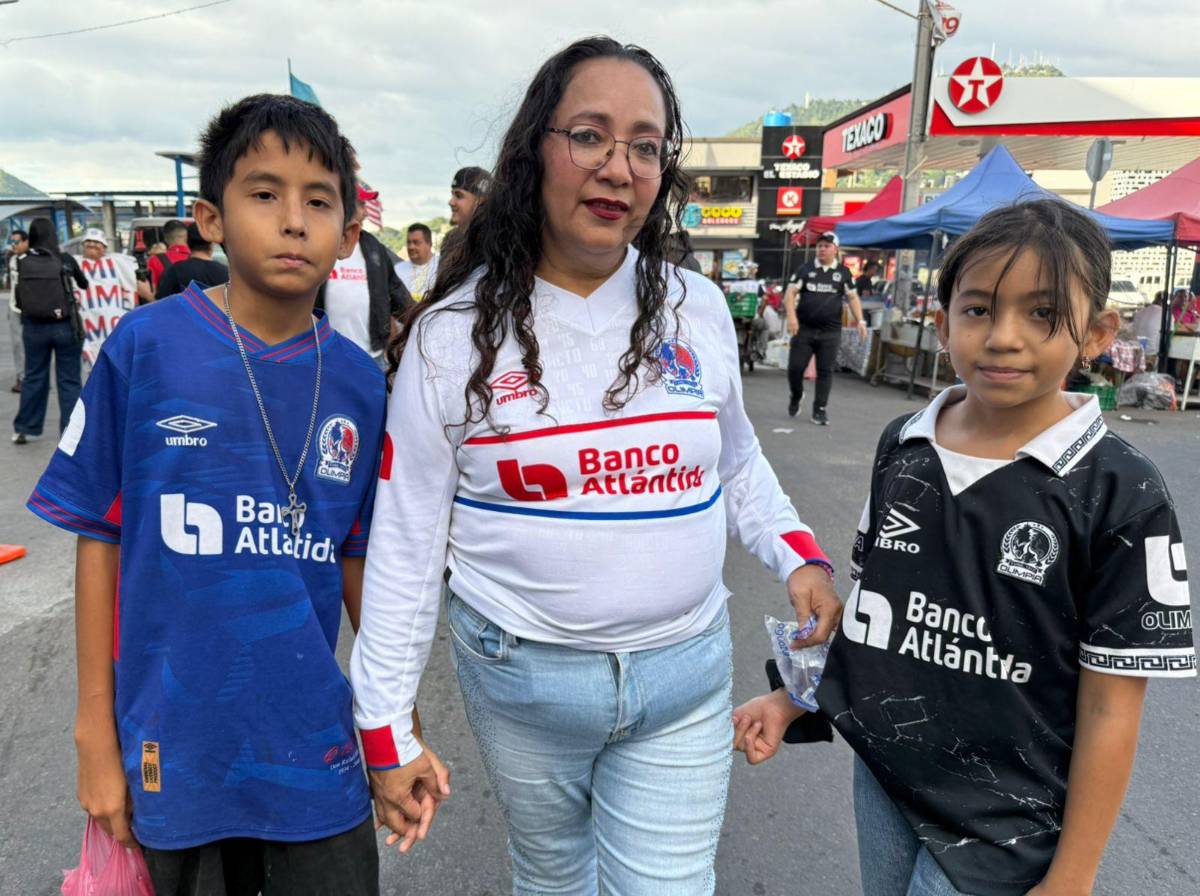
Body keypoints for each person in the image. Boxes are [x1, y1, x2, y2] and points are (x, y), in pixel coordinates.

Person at [350, 36, 841, 895]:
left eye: (645, 146)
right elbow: (406, 542)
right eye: (588, 136)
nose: (619, 168)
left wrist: (796, 552)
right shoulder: (450, 337)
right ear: (534, 151)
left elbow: (736, 461)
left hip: (684, 676)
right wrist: (385, 726)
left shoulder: (696, 308)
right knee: (554, 877)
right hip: (521, 680)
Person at [734, 200, 1195, 896]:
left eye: (1043, 314)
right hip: (887, 778)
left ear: (1099, 333)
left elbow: (1111, 708)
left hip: (1009, 822)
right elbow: (876, 616)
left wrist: (1073, 876)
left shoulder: (1120, 489)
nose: (1004, 338)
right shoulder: (904, 445)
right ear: (943, 320)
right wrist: (796, 697)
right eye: (979, 309)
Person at [25, 94, 410, 896]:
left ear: (349, 232)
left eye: (319, 201)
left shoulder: (360, 385)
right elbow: (99, 540)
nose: (293, 221)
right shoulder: (147, 348)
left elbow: (360, 567)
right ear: (211, 219)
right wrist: (94, 734)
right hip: (174, 748)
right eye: (265, 194)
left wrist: (395, 731)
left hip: (314, 755)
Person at [315, 184, 411, 369]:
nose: (366, 212)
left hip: (372, 358)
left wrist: (421, 319)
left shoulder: (374, 246)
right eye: (361, 204)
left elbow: (396, 291)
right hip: (326, 357)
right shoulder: (320, 241)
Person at [12, 217, 87, 444]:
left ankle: (24, 428)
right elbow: (83, 284)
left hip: (34, 327)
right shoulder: (64, 259)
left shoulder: (22, 260)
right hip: (65, 326)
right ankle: (70, 432)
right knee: (69, 380)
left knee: (34, 376)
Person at [783, 231, 868, 424]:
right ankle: (796, 395)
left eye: (826, 246)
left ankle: (819, 409)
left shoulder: (843, 273)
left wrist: (861, 321)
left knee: (825, 371)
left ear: (835, 250)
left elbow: (853, 298)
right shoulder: (805, 269)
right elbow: (789, 294)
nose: (822, 249)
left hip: (830, 332)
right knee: (795, 368)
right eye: (819, 245)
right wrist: (791, 318)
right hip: (804, 329)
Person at [73, 228, 139, 368]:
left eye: (97, 242)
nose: (92, 244)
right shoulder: (74, 263)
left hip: (112, 325)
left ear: (104, 247)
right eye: (88, 241)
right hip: (88, 327)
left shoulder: (117, 262)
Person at [155, 222, 229, 298]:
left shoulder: (173, 271)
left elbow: (161, 300)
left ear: (187, 242)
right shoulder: (225, 273)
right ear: (211, 244)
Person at [6, 228, 28, 392]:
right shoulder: (12, 259)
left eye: (17, 242)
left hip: (31, 309)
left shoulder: (33, 259)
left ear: (26, 242)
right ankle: (21, 377)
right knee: (17, 344)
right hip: (15, 308)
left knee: (33, 345)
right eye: (11, 242)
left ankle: (34, 378)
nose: (14, 245)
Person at [394, 222, 438, 302]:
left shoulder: (443, 266)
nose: (411, 247)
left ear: (429, 244)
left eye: (416, 242)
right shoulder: (397, 270)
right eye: (409, 242)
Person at [147, 219, 191, 292]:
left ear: (165, 239)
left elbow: (152, 291)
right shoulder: (199, 259)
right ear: (187, 236)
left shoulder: (154, 260)